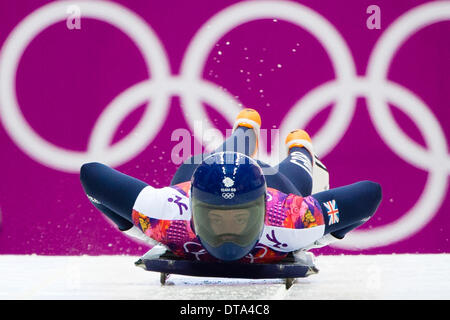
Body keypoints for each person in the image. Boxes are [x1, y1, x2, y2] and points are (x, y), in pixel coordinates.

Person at [80, 109, 382, 264]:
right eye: (215, 218)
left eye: (239, 219)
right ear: (193, 211)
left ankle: (299, 146)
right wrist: (138, 226)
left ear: (262, 211)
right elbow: (90, 175)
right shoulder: (165, 214)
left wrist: (315, 238)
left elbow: (370, 194)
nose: (227, 235)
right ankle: (245, 131)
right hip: (197, 177)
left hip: (273, 183)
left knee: (299, 169)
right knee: (224, 155)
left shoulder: (293, 219)